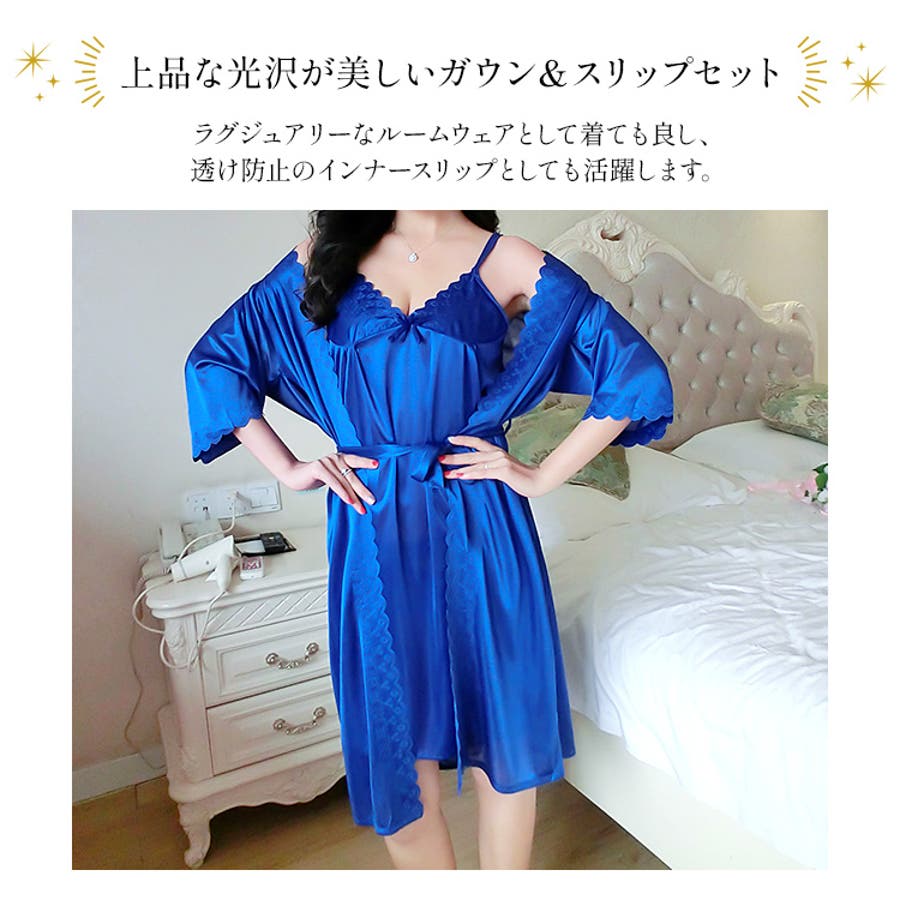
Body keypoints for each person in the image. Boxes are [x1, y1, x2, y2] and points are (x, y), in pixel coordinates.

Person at [184, 210, 674, 869]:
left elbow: (633, 371)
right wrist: (292, 468)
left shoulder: (505, 257)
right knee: (396, 750)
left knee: (503, 738)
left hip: (483, 522)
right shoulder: (323, 254)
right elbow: (216, 361)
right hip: (371, 528)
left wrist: (539, 476)